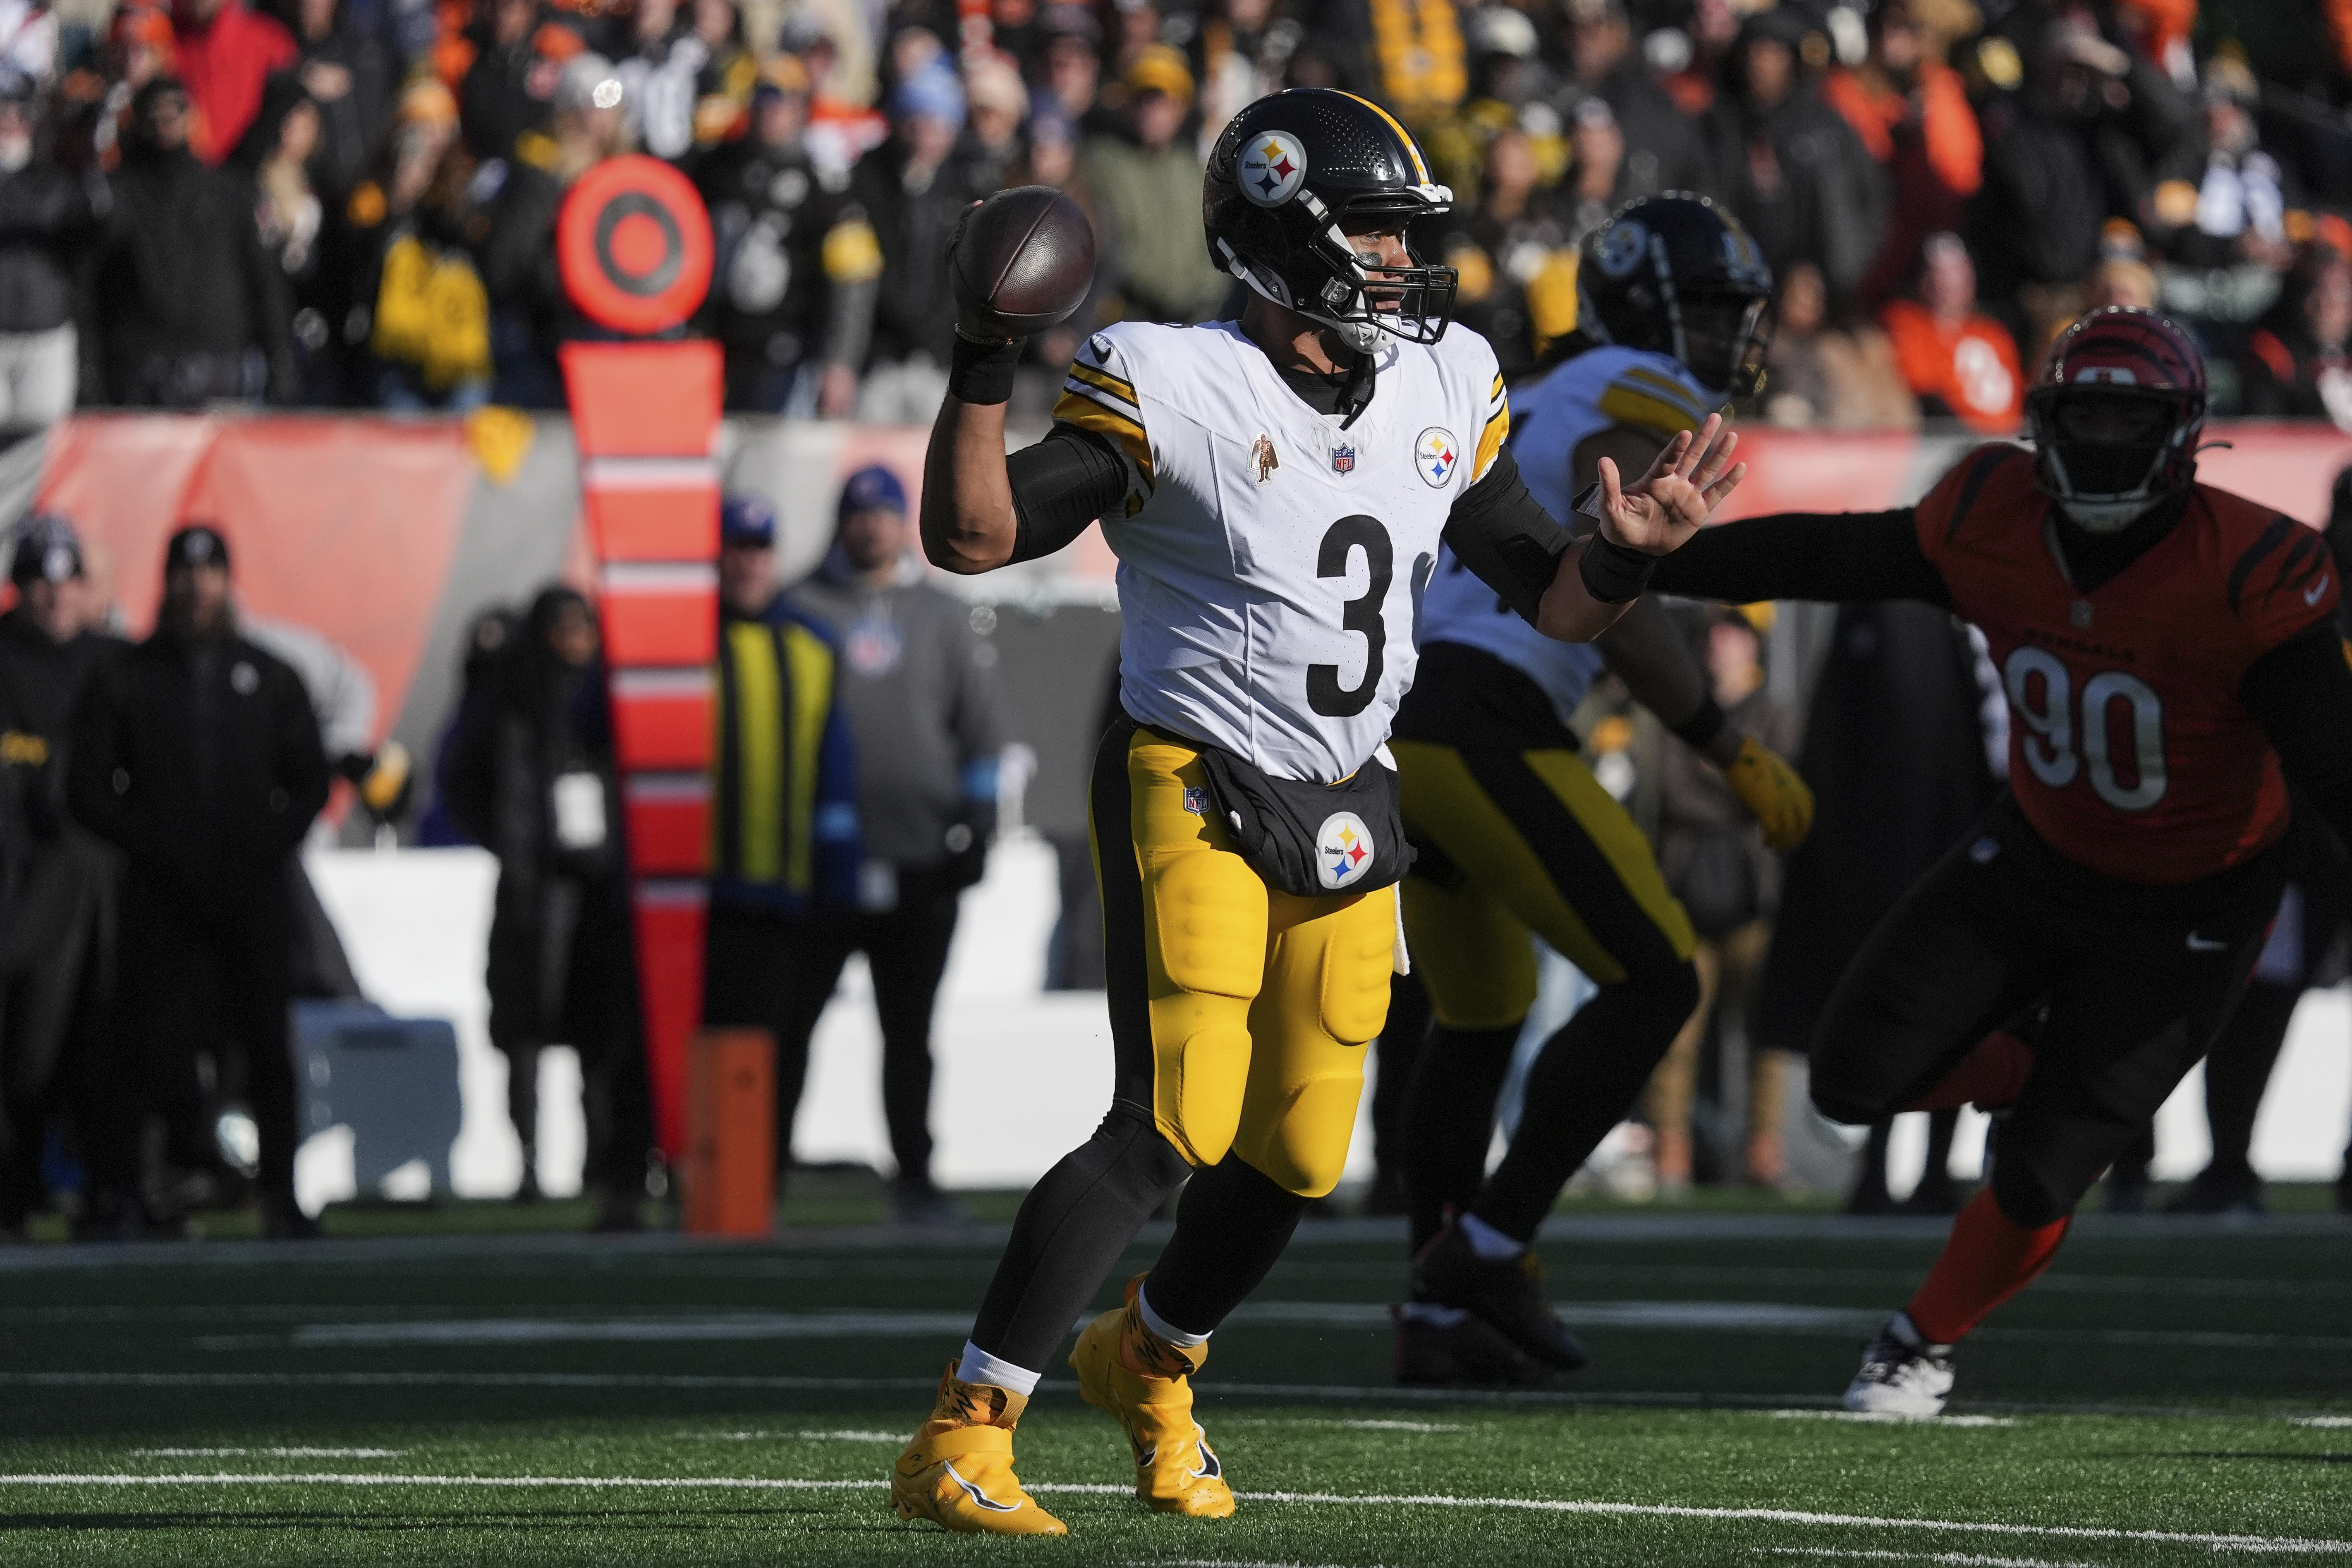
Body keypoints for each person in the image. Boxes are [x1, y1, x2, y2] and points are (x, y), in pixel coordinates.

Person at [886, 88, 1740, 1534]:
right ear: (1285, 235)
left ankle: (1149, 1365)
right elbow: (973, 536)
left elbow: (1550, 594)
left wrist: (1627, 553)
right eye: (1378, 233)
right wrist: (980, 356)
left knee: (1295, 1147)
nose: (1405, 261)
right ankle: (964, 1429)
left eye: (1412, 235)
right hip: (1195, 773)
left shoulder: (1440, 385)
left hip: (1349, 790)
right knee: (1169, 1121)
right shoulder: (1177, 381)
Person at [1647, 307, 2352, 1415]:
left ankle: (1916, 1340)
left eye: (2133, 417)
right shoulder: (1992, 515)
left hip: (2193, 898)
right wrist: (1668, 555)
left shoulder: (2244, 568)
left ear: (2181, 432)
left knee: (2035, 1174)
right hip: (2038, 851)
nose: (2108, 440)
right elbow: (1836, 553)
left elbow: (2328, 759)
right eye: (2087, 414)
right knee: (1849, 1075)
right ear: (2043, 424)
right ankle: (2040, 1068)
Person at [1388, 194, 1810, 1385]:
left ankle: (1438, 1301)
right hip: (1482, 711)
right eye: (1720, 305)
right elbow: (1605, 545)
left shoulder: (1534, 383)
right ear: (1653, 303)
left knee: (1477, 1019)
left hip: (1407, 714)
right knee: (1655, 976)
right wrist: (1720, 737)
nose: (1737, 330)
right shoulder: (1633, 383)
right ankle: (1484, 1248)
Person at [68, 525, 330, 1240]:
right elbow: (87, 788)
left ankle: (281, 1193)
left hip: (249, 892)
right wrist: (153, 846)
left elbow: (309, 777)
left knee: (266, 1047)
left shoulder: (267, 675)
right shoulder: (129, 676)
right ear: (166, 583)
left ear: (227, 580)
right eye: (185, 574)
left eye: (211, 571)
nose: (198, 587)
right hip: (160, 892)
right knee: (140, 1047)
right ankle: (124, 1189)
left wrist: (265, 844)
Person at [783, 465, 1007, 1223]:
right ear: (840, 522)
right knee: (792, 1023)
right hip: (820, 865)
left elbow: (979, 734)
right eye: (859, 514)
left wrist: (977, 827)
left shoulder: (940, 615)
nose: (871, 527)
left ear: (902, 521)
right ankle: (764, 1177)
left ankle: (915, 1178)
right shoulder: (800, 608)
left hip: (921, 862)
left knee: (909, 1032)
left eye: (884, 514)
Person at [443, 587, 653, 1223]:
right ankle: (528, 1160)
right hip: (531, 890)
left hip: (595, 884)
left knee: (598, 1033)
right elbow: (460, 778)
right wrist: (509, 840)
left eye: (582, 623)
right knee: (525, 1029)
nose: (572, 635)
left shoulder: (608, 693)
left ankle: (599, 1158)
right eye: (560, 624)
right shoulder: (508, 695)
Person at [703, 495, 861, 1176]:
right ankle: (667, 1170)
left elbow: (836, 767)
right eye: (735, 547)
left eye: (758, 548)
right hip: (695, 897)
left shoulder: (813, 644)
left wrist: (840, 876)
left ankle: (758, 1174)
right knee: (688, 1037)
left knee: (781, 1040)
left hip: (785, 893)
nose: (747, 563)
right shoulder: (680, 641)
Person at [1648, 604, 1803, 1192]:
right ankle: (1670, 1155)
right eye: (1714, 630)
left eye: (1734, 630)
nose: (1721, 640)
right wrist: (1742, 784)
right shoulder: (1676, 713)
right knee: (1672, 1036)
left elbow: (1782, 797)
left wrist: (1724, 784)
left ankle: (1763, 1153)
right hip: (1683, 895)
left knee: (1767, 1035)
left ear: (1752, 644)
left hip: (1752, 898)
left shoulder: (1774, 714)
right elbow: (1671, 792)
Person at [0, 517, 119, 1240]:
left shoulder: (117, 662)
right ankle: (15, 1193)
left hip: (103, 881)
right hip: (18, 880)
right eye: (40, 578)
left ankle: (113, 1190)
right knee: (23, 1047)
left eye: (65, 578)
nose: (53, 593)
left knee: (102, 1046)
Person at [94, 77, 297, 407]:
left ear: (192, 115)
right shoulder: (118, 195)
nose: (166, 118)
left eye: (176, 107)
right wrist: (94, 368)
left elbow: (266, 280)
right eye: (155, 111)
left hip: (221, 363)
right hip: (142, 367)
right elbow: (93, 285)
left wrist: (281, 357)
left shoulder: (231, 190)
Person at [696, 54, 878, 416]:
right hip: (716, 351)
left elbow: (855, 277)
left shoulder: (826, 185)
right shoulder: (716, 171)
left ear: (801, 108)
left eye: (782, 98)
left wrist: (840, 362)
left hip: (788, 358)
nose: (770, 109)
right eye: (762, 97)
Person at [1081, 46, 1230, 328]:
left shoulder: (1192, 170)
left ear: (1182, 109)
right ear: (1126, 103)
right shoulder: (1100, 164)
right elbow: (1110, 250)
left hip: (1191, 324)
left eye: (1164, 101)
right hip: (1123, 323)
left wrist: (1200, 300)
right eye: (1143, 99)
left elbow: (1214, 250)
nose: (1152, 111)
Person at [0, 87, 103, 433]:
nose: (10, 124)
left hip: (46, 335)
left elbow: (94, 238)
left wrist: (89, 156)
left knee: (42, 451)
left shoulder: (60, 184)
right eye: (2, 114)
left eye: (20, 116)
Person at [1881, 232, 2023, 433]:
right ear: (1923, 280)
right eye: (1939, 274)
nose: (1950, 283)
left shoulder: (1993, 333)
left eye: (1957, 272)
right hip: (1952, 441)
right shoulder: (1907, 323)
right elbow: (1924, 393)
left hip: (2010, 438)